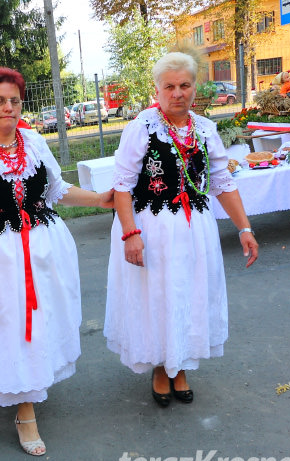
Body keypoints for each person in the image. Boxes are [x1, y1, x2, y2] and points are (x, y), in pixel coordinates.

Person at [0, 67, 113, 456]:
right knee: (7, 327)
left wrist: (99, 199)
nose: (8, 107)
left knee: (36, 325)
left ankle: (28, 388)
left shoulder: (33, 142)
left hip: (43, 252)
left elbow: (57, 190)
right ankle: (24, 410)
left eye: (14, 100)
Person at [104, 52, 258, 409]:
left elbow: (222, 181)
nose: (177, 93)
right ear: (156, 89)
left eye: (184, 85)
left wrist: (244, 228)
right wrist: (130, 233)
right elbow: (123, 185)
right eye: (169, 86)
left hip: (195, 229)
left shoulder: (204, 128)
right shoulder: (141, 126)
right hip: (150, 227)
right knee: (157, 296)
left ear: (194, 88)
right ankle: (161, 366)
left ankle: (182, 364)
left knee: (189, 294)